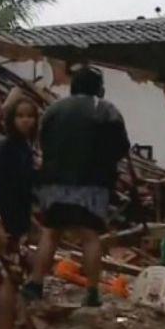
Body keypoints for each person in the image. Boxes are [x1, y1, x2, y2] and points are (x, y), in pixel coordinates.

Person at [24, 66, 130, 307]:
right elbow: (121, 147)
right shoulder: (106, 110)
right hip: (92, 186)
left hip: (53, 184)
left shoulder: (53, 109)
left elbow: (42, 142)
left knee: (51, 233)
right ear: (98, 87)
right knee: (90, 237)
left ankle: (35, 284)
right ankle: (92, 293)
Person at [0, 92, 39, 329]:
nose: (26, 121)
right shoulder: (6, 147)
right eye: (20, 116)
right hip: (5, 224)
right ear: (10, 119)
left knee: (16, 276)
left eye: (30, 116)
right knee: (9, 279)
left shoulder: (25, 150)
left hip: (19, 224)